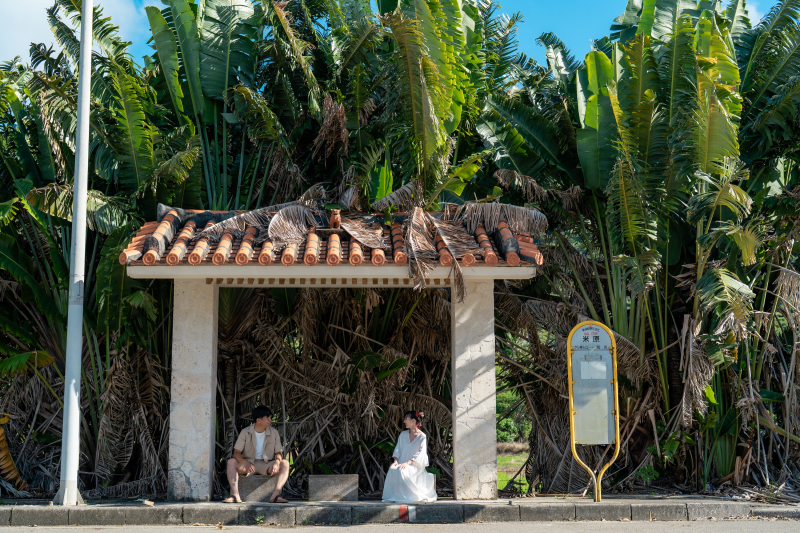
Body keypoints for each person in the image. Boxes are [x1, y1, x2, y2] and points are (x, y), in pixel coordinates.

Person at [224, 405, 290, 503]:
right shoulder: (245, 432)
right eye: (267, 418)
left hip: (267, 465)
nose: (270, 420)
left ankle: (275, 495)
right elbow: (236, 453)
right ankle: (235, 496)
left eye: (270, 417)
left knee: (285, 463)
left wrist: (276, 462)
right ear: (258, 420)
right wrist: (244, 462)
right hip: (248, 464)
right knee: (231, 462)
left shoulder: (274, 432)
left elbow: (279, 452)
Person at [382, 410, 437, 503]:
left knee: (403, 471)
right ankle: (395, 496)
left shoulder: (422, 436)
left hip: (414, 465)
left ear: (413, 421)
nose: (404, 421)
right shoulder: (403, 434)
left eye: (406, 419)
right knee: (392, 469)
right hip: (401, 462)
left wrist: (407, 463)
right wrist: (395, 461)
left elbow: (421, 453)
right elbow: (398, 449)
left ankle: (406, 496)